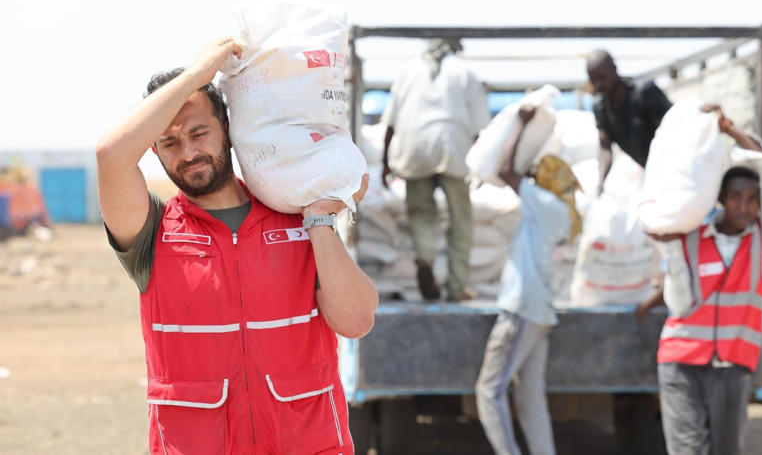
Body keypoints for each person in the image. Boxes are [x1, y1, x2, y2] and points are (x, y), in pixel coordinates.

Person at [96, 37, 379, 455]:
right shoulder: (150, 233)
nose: (188, 152)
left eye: (198, 132)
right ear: (154, 151)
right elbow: (110, 154)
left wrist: (318, 220)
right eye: (169, 143)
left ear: (227, 130)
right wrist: (198, 75)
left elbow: (356, 322)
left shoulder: (292, 214)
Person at [650, 104, 762, 455]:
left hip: (733, 368)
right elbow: (678, 304)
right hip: (681, 364)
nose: (744, 207)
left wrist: (731, 130)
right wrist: (672, 251)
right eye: (736, 198)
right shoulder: (688, 236)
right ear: (721, 199)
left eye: (752, 200)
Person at [475, 104, 582, 455]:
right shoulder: (565, 214)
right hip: (541, 313)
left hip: (521, 309)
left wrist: (520, 125)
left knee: (489, 391)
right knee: (531, 397)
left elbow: (506, 170)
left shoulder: (543, 201)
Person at [381, 38, 491, 301]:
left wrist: (385, 161)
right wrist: (484, 165)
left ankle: (425, 260)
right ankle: (456, 288)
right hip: (454, 147)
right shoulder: (465, 72)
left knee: (421, 213)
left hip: (414, 146)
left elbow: (390, 122)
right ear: (455, 48)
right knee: (460, 219)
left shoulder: (408, 70)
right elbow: (480, 128)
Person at [587, 49, 672, 192]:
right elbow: (604, 146)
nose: (598, 85)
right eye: (593, 81)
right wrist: (601, 181)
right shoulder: (600, 107)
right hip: (652, 174)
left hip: (673, 167)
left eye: (602, 78)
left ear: (614, 69)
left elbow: (673, 131)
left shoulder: (644, 92)